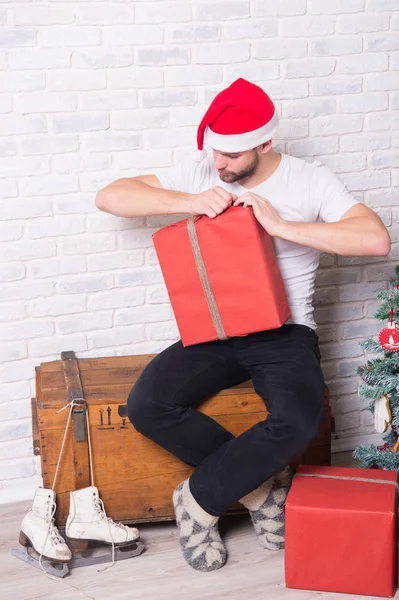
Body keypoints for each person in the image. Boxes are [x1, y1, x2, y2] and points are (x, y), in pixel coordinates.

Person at [95, 78, 391, 572]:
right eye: (215, 152)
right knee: (147, 404)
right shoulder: (201, 171)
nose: (220, 164)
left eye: (231, 155)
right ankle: (259, 490)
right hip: (217, 326)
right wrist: (189, 201)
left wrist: (279, 227)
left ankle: (198, 503)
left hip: (286, 329)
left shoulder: (309, 179)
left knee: (296, 420)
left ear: (265, 143)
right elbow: (111, 197)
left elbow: (375, 239)